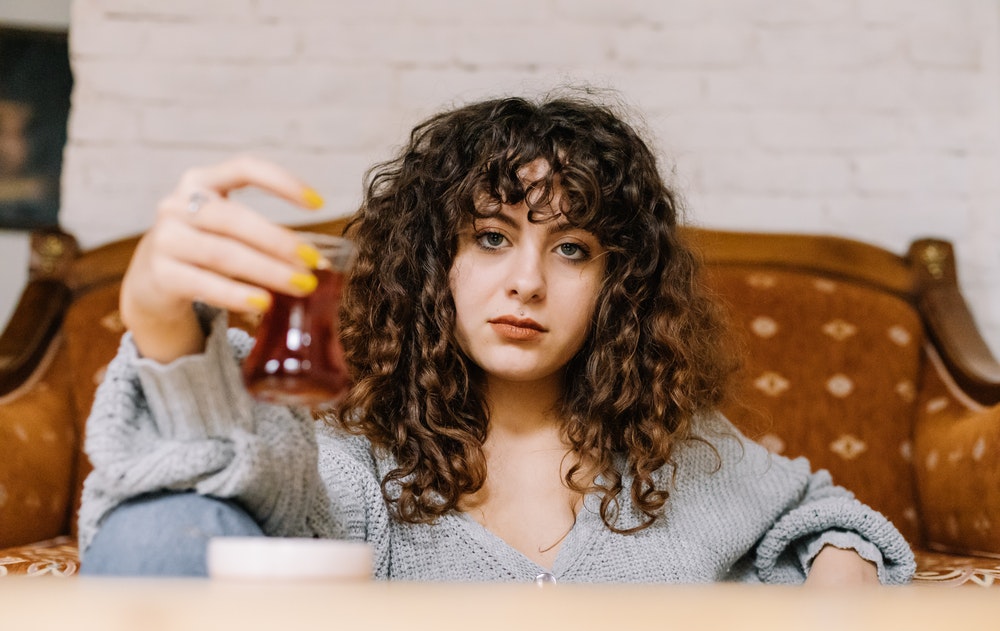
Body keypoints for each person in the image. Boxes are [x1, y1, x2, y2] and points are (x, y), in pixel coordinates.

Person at [79, 92, 915, 584]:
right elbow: (222, 485)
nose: (527, 281)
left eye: (573, 248)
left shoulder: (677, 454)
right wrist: (162, 322)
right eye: (489, 236)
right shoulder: (349, 449)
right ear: (431, 259)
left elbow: (822, 513)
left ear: (615, 286)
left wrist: (840, 582)